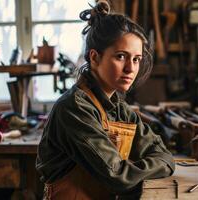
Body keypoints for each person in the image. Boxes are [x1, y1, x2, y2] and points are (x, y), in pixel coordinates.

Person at [36, 1, 175, 199]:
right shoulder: (74, 108)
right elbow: (117, 176)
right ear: (94, 57)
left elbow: (162, 153)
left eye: (136, 59)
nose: (130, 68)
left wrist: (160, 161)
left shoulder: (118, 108)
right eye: (121, 56)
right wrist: (158, 164)